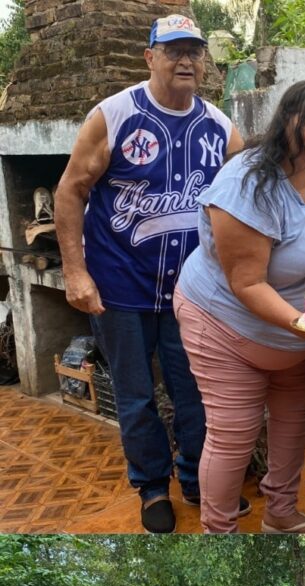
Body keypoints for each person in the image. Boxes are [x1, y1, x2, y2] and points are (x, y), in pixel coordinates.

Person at [54, 15, 245, 535]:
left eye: (194, 51)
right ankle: (152, 486)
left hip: (193, 291)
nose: (186, 60)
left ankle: (198, 479)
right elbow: (70, 190)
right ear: (150, 57)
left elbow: (245, 198)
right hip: (120, 285)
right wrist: (75, 271)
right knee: (136, 397)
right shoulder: (113, 115)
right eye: (173, 50)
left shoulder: (221, 128)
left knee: (197, 393)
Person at [175, 80, 305, 534]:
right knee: (234, 434)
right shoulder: (245, 183)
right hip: (225, 323)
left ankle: (281, 513)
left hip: (297, 332)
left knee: (292, 424)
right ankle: (219, 534)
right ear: (287, 120)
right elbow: (247, 283)